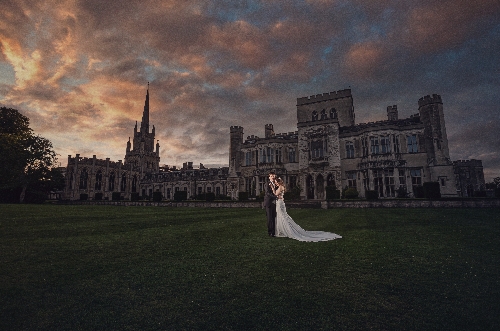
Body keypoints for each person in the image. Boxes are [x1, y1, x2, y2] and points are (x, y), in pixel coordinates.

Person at [272, 178, 342, 242]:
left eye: (276, 182)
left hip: (280, 203)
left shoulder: (280, 187)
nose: (275, 184)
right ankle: (283, 230)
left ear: (278, 182)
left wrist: (272, 187)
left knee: (282, 216)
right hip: (280, 202)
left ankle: (287, 231)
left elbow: (275, 194)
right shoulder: (281, 187)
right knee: (282, 216)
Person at [263, 171, 278, 237]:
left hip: (274, 203)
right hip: (268, 203)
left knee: (274, 217)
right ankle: (270, 232)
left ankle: (274, 232)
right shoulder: (267, 184)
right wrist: (275, 197)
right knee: (269, 219)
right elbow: (267, 193)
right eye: (271, 176)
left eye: (274, 176)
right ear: (269, 177)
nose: (273, 177)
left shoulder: (276, 184)